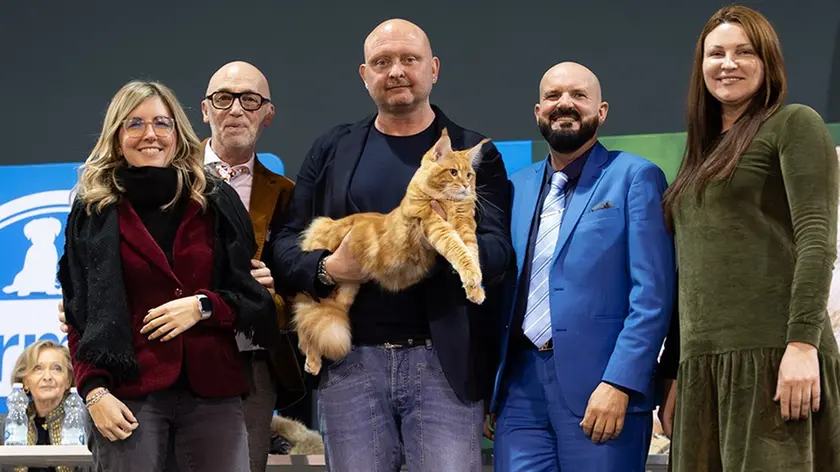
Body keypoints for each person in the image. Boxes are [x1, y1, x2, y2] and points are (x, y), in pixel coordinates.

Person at [268, 18, 512, 471]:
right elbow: (284, 244)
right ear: (365, 75)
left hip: (443, 367)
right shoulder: (332, 149)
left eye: (409, 59)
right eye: (382, 62)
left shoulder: (471, 152)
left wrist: (434, 245)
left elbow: (498, 255)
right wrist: (327, 269)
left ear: (433, 69)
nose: (396, 71)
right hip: (350, 365)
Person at [58, 80, 278, 472]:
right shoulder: (93, 210)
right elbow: (79, 315)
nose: (151, 134)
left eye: (162, 123)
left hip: (213, 391)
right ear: (117, 135)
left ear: (177, 132)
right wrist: (93, 391)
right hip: (127, 393)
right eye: (135, 124)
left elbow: (251, 296)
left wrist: (203, 306)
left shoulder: (215, 199)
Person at [658, 5, 840, 470]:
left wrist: (803, 345)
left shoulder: (794, 124)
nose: (728, 63)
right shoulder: (699, 154)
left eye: (744, 52)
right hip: (702, 371)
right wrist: (674, 372)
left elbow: (817, 239)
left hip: (776, 361)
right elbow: (690, 273)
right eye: (716, 53)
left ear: (767, 61)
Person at [490, 61, 675, 472]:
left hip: (603, 390)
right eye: (553, 96)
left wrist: (620, 382)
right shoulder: (515, 186)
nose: (565, 104)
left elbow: (653, 295)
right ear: (538, 112)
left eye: (579, 95)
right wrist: (493, 387)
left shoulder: (636, 177)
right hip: (519, 392)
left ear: (602, 111)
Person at [200, 60, 305, 472]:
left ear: (268, 113)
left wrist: (275, 291)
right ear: (205, 109)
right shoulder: (169, 176)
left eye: (249, 100)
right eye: (223, 98)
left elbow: (304, 289)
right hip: (173, 355)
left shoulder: (288, 196)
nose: (235, 109)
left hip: (252, 359)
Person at [0, 341, 82, 472]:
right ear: (25, 382)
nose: (47, 377)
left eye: (57, 368)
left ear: (68, 381)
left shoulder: (86, 423)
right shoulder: (3, 425)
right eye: (38, 369)